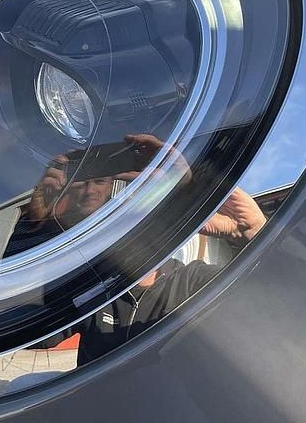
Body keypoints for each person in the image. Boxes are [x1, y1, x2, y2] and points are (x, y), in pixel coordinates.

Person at [24, 134, 266, 366]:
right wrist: (35, 227)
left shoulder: (191, 282)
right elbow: (36, 331)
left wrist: (253, 231)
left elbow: (268, 305)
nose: (137, 228)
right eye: (124, 218)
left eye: (147, 215)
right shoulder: (93, 287)